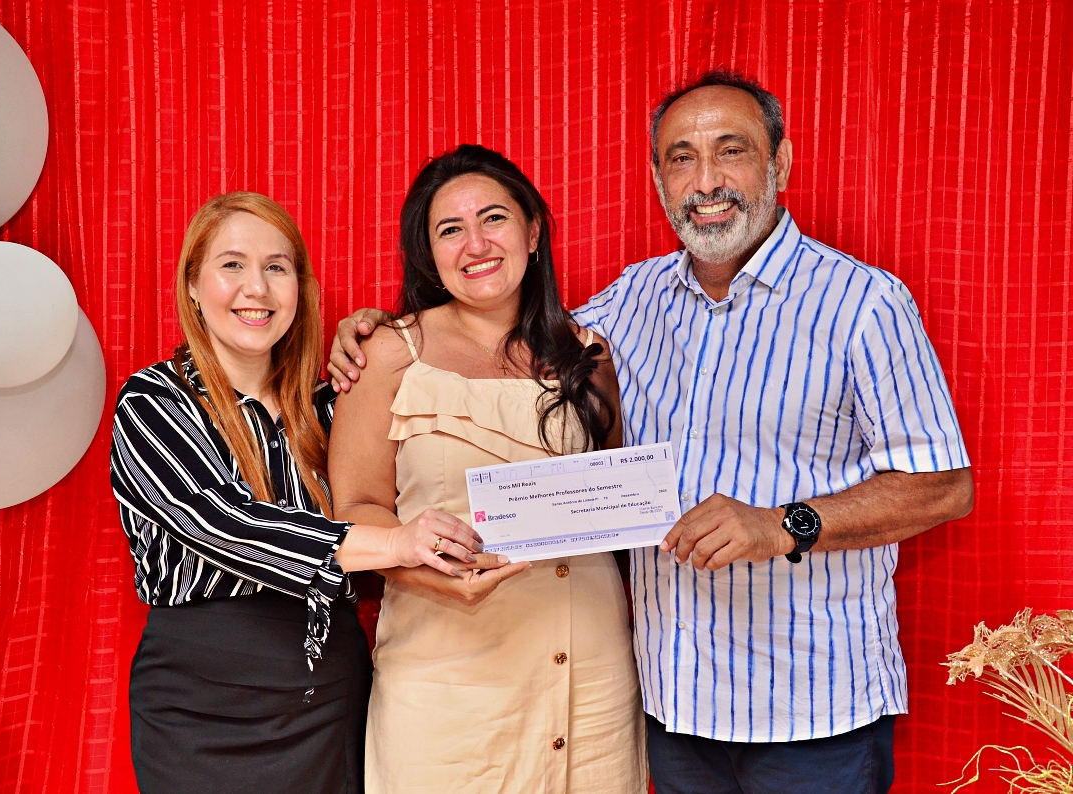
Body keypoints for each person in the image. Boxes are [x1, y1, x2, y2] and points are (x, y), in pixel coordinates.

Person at [327, 72, 975, 793]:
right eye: (681, 158)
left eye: (731, 150)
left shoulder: (864, 303)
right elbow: (499, 338)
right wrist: (373, 331)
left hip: (809, 708)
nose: (707, 181)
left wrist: (781, 525)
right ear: (658, 177)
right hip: (672, 703)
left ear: (781, 162)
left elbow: (945, 486)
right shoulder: (625, 308)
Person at [109, 192, 484, 794]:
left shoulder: (330, 407)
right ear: (193, 286)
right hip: (202, 708)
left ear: (300, 290)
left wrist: (379, 341)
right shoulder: (153, 402)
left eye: (276, 267)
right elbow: (224, 525)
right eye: (232, 264)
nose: (256, 288)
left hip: (330, 695)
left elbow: (421, 463)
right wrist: (395, 543)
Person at [327, 145, 648, 793]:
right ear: (429, 254)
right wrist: (427, 570)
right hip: (447, 683)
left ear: (532, 232)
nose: (476, 244)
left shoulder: (590, 355)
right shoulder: (388, 353)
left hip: (591, 679)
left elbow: (616, 500)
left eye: (493, 218)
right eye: (451, 229)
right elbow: (353, 511)